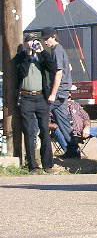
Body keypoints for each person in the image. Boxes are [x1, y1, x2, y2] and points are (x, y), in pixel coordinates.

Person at [14, 33, 55, 174]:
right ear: (26, 43)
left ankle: (48, 165)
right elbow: (21, 73)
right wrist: (28, 55)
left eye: (35, 41)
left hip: (41, 97)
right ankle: (33, 166)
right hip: (26, 98)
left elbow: (52, 68)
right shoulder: (20, 58)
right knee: (30, 132)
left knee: (45, 130)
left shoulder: (42, 56)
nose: (33, 44)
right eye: (30, 42)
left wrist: (41, 51)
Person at [42, 26, 80, 158]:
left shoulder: (57, 51)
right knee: (62, 121)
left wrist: (53, 94)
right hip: (64, 91)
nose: (45, 42)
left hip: (59, 92)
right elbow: (68, 67)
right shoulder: (60, 50)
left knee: (40, 113)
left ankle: (40, 149)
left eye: (47, 39)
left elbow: (58, 73)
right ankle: (73, 150)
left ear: (54, 37)